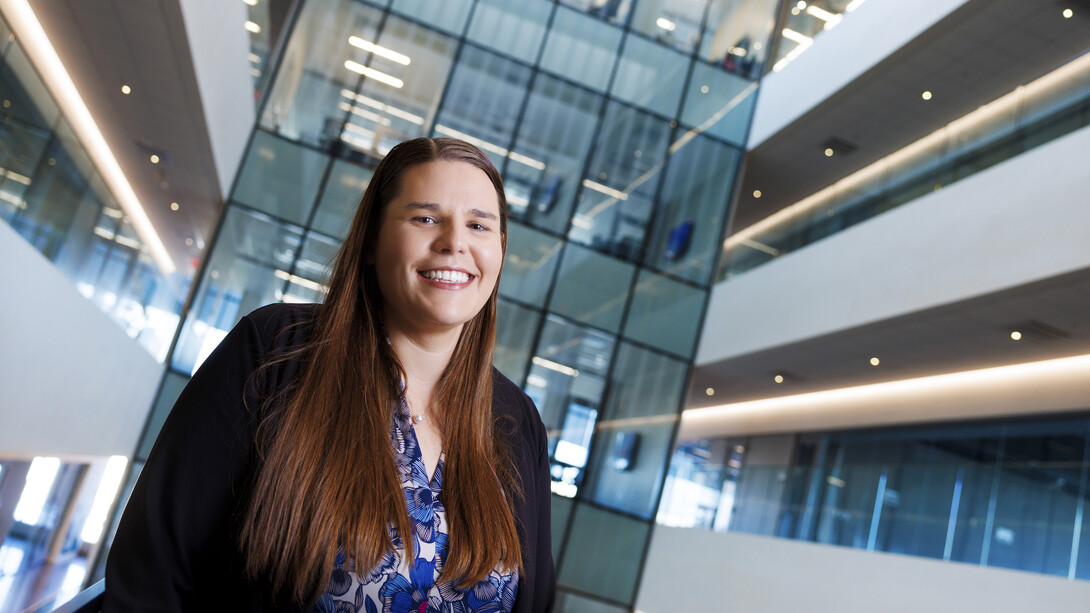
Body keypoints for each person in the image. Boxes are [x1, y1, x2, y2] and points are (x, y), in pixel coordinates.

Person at [103, 137, 556, 613]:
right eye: (425, 218)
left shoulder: (517, 419)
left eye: (479, 225)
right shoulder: (274, 351)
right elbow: (152, 571)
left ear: (500, 253)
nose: (454, 243)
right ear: (370, 241)